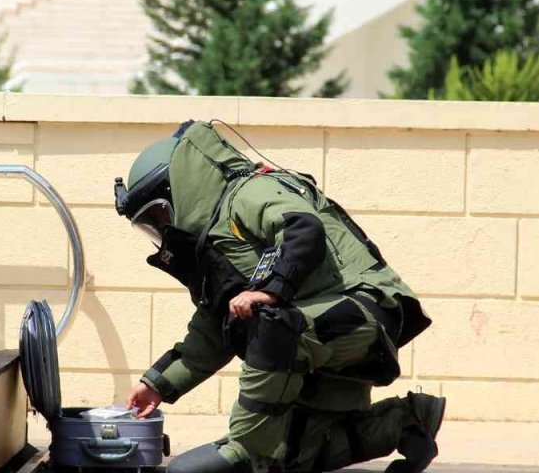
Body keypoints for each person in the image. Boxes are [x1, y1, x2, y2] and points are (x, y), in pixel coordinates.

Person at [113, 120, 446, 473]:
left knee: (269, 324)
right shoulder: (216, 244)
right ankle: (409, 420)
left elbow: (302, 228)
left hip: (360, 311)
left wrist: (269, 290)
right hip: (312, 333)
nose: (161, 229)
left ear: (177, 187)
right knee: (292, 456)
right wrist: (156, 386)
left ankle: (247, 448)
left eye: (158, 214)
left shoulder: (247, 194)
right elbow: (213, 332)